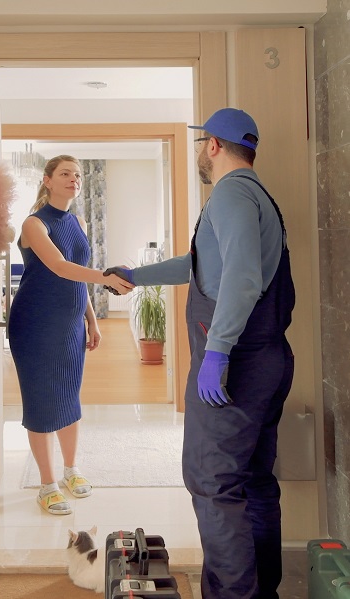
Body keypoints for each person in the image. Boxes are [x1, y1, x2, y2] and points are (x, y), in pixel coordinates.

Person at [105, 108, 295, 598]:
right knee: (253, 482)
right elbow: (202, 266)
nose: (198, 151)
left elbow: (243, 277)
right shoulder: (256, 195)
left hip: (237, 367)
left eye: (200, 142)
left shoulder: (230, 194)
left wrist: (217, 352)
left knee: (213, 484)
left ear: (213, 145)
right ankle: (260, 591)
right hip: (267, 359)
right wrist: (138, 275)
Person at [7, 154, 133, 516]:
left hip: (70, 324)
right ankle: (47, 485)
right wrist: (107, 278)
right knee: (41, 404)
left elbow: (77, 277)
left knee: (69, 398)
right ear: (47, 180)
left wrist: (90, 319)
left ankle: (71, 471)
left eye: (77, 175)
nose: (74, 179)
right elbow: (61, 267)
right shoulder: (34, 224)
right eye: (64, 173)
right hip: (35, 324)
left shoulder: (78, 220)